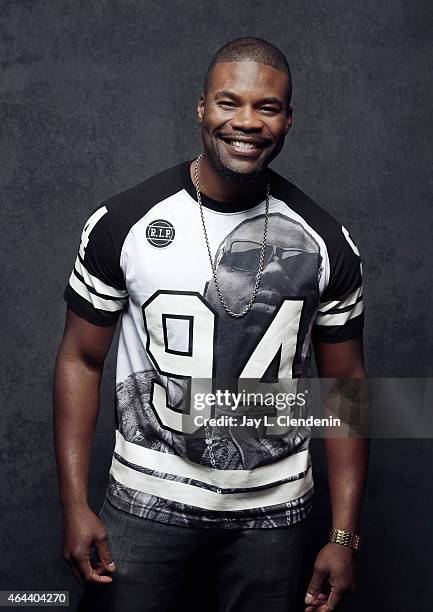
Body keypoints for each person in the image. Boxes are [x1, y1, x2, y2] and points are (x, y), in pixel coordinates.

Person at [53, 37, 369, 612]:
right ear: (202, 107)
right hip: (146, 502)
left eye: (267, 107)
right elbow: (81, 359)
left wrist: (343, 534)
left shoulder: (325, 242)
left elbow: (348, 390)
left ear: (289, 119)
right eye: (230, 103)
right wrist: (74, 503)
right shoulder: (123, 223)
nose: (246, 122)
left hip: (273, 512)